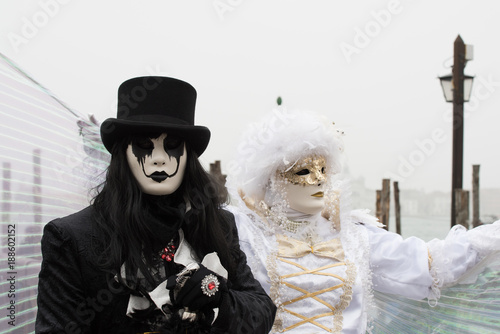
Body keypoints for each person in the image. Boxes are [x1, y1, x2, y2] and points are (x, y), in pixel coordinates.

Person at [35, 76, 276, 333]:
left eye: (172, 146)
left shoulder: (216, 224)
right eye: (143, 145)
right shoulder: (72, 237)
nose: (159, 159)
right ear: (123, 154)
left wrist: (218, 299)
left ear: (187, 157)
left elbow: (261, 312)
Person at [225, 108, 500, 333]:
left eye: (323, 169)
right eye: (304, 171)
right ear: (270, 179)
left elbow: (428, 264)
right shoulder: (241, 233)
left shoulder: (352, 236)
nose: (319, 178)